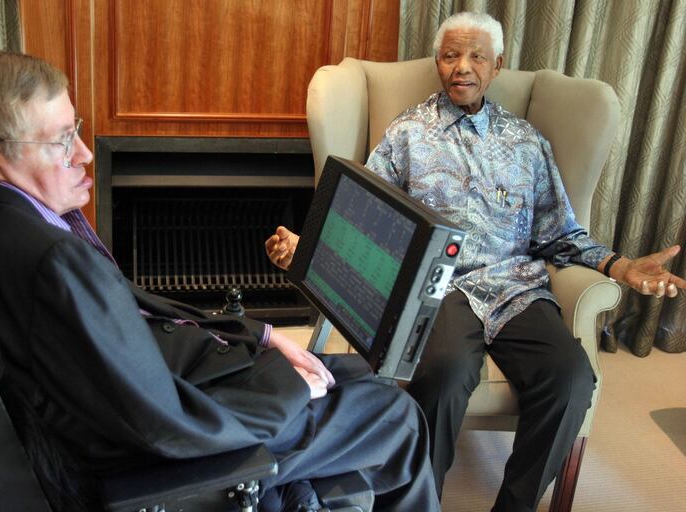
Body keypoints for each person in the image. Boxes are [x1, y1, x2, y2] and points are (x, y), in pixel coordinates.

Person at [0, 50, 440, 512]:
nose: (85, 155)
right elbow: (161, 424)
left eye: (76, 130)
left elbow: (130, 326)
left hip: (153, 393)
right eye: (59, 142)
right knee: (395, 413)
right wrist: (285, 390)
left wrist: (257, 335)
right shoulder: (48, 259)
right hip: (158, 453)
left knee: (346, 369)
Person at [266, 11, 686, 512]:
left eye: (476, 57)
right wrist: (308, 247)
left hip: (516, 289)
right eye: (450, 55)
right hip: (438, 288)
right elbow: (363, 215)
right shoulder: (406, 133)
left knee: (571, 380)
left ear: (497, 66)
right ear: (438, 63)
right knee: (442, 375)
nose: (461, 67)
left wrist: (619, 266)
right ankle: (417, 500)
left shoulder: (527, 143)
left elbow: (561, 235)